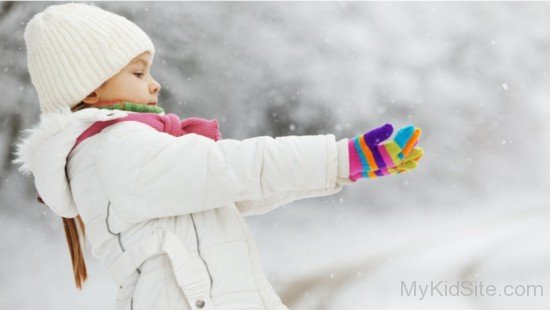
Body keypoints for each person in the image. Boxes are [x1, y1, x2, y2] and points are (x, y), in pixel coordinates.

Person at [12, 3, 424, 310]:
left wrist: (344, 168)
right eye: (138, 73)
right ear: (89, 91)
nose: (154, 85)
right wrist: (337, 156)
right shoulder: (116, 150)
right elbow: (225, 169)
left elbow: (231, 190)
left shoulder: (123, 151)